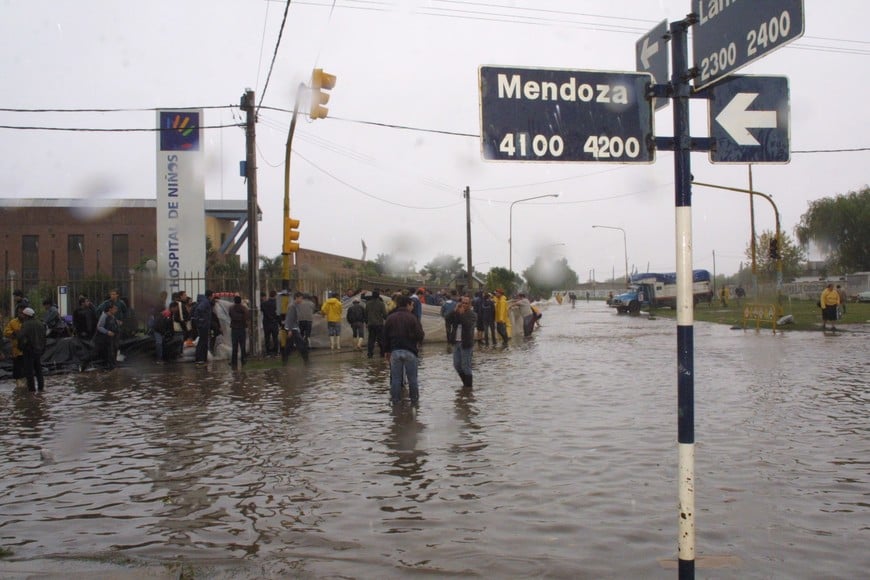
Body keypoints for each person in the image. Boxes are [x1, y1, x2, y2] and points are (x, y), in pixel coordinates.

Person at [383, 295, 425, 406]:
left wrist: (386, 351)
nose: (412, 307)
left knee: (396, 380)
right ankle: (415, 403)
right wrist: (418, 344)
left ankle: (395, 404)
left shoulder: (390, 317)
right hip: (410, 351)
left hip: (395, 352)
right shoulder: (413, 318)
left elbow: (385, 336)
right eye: (412, 305)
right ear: (407, 305)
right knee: (412, 379)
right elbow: (420, 334)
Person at [446, 294, 476, 389]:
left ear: (470, 304)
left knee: (466, 366)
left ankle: (468, 387)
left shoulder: (472, 315)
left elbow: (468, 325)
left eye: (466, 303)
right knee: (457, 365)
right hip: (456, 342)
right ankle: (465, 384)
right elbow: (447, 318)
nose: (464, 305)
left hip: (466, 343)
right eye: (462, 303)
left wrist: (462, 314)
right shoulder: (457, 312)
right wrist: (455, 310)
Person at [18, 307, 47, 392]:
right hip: (39, 350)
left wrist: (21, 347)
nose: (22, 316)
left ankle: (32, 390)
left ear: (26, 316)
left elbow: (21, 337)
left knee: (29, 371)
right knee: (39, 370)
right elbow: (44, 338)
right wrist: (43, 348)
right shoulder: (40, 323)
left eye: (23, 314)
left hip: (29, 350)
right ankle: (41, 388)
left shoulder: (26, 324)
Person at [282, 292, 310, 364]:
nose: (301, 300)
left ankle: (285, 360)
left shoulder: (295, 305)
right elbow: (290, 318)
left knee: (289, 345)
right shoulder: (292, 306)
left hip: (293, 328)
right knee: (302, 344)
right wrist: (290, 330)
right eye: (301, 298)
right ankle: (306, 360)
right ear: (297, 298)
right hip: (292, 328)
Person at [4, 308, 26, 389]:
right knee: (17, 367)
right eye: (20, 313)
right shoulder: (13, 322)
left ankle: (26, 383)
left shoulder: (28, 322)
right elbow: (6, 332)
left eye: (23, 313)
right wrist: (13, 333)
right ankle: (18, 383)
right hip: (16, 350)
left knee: (26, 367)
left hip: (27, 349)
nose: (21, 315)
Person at [192, 290, 215, 365]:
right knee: (203, 342)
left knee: (203, 341)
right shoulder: (205, 302)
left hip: (203, 324)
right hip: (203, 325)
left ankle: (202, 359)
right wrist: (202, 320)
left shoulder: (205, 301)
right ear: (210, 296)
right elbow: (199, 309)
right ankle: (200, 359)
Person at [363, 289, 388, 358]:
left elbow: (365, 314)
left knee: (371, 339)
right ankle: (382, 353)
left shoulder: (368, 304)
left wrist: (367, 322)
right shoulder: (381, 303)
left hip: (371, 324)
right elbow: (385, 314)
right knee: (380, 339)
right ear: (378, 296)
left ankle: (370, 354)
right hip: (379, 324)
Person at [228, 295, 249, 369]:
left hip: (234, 329)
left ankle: (234, 361)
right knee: (242, 345)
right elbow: (246, 317)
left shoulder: (231, 308)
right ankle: (243, 360)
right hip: (242, 328)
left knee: (234, 346)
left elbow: (230, 315)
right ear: (240, 301)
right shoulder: (244, 308)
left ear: (234, 301)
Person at [261, 290, 279, 356]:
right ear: (275, 295)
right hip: (274, 323)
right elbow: (278, 314)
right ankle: (276, 352)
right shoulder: (277, 304)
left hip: (266, 323)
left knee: (267, 338)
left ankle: (268, 352)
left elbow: (262, 310)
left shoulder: (264, 303)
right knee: (275, 338)